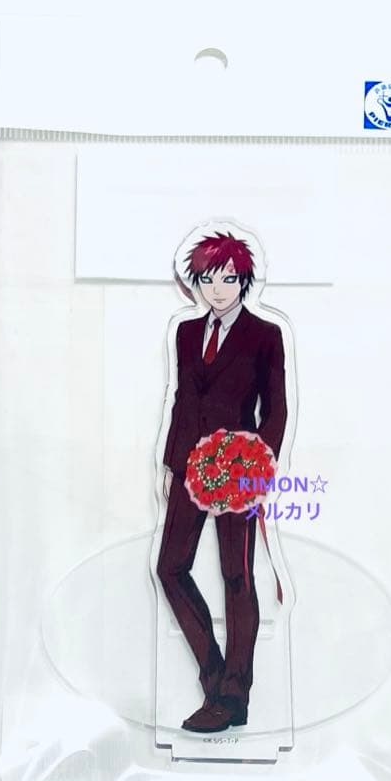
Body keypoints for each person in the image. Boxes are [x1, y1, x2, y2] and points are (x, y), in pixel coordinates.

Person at [156, 230, 288, 733]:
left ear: (244, 281)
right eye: (208, 279)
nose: (217, 289)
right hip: (188, 466)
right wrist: (170, 465)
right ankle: (217, 681)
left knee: (238, 576)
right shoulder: (187, 333)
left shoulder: (265, 334)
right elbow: (181, 399)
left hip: (239, 468)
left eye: (228, 279)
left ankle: (235, 695)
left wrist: (258, 467)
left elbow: (276, 410)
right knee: (170, 568)